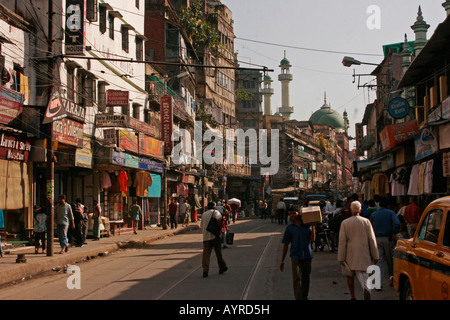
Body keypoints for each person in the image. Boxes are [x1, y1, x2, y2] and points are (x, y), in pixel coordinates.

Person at [338, 201, 379, 300]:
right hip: (363, 253)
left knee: (350, 276)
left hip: (350, 254)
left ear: (351, 210)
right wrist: (375, 255)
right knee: (364, 276)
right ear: (360, 210)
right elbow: (372, 239)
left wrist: (341, 257)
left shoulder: (345, 223)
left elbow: (342, 241)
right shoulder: (366, 221)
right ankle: (365, 289)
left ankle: (353, 296)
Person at [280, 208, 316, 300]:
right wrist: (282, 260)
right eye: (290, 213)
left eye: (293, 213)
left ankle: (304, 296)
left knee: (306, 278)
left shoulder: (306, 225)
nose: (292, 215)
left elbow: (312, 239)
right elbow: (286, 244)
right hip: (295, 256)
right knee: (296, 279)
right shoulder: (289, 228)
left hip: (307, 255)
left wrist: (313, 227)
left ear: (298, 213)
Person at [370, 196, 401, 289]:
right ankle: (392, 280)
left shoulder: (374, 214)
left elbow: (370, 226)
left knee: (379, 261)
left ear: (379, 204)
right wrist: (394, 232)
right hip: (388, 239)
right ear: (388, 205)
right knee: (390, 261)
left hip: (377, 239)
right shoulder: (390, 213)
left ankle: (378, 284)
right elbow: (397, 223)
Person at [201, 202, 228, 278]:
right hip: (215, 236)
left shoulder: (204, 214)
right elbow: (219, 221)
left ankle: (205, 270)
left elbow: (201, 225)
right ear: (214, 207)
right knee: (218, 252)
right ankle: (222, 266)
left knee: (206, 254)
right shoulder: (216, 212)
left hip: (205, 237)